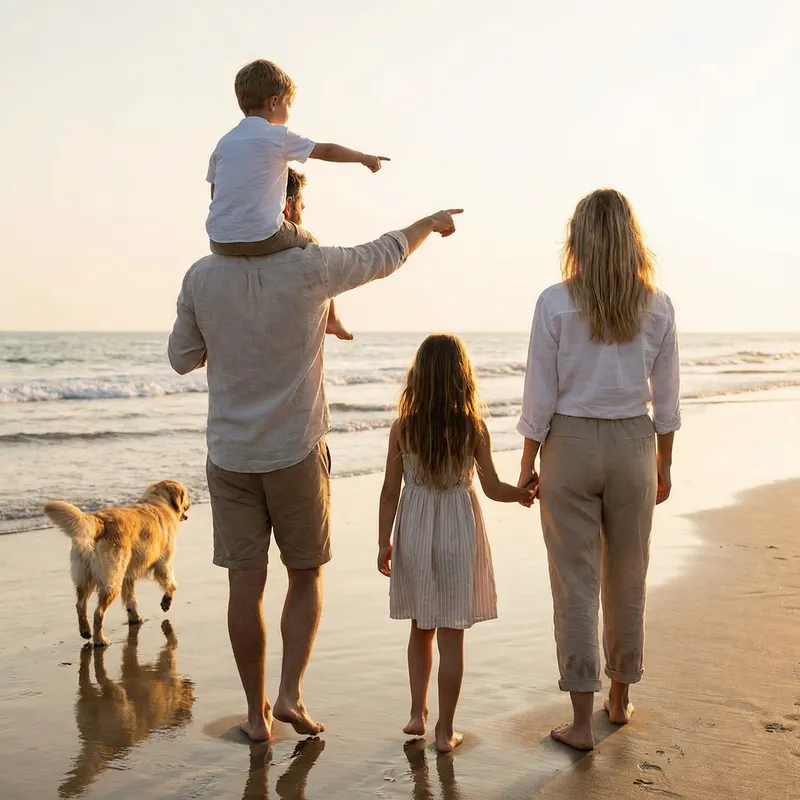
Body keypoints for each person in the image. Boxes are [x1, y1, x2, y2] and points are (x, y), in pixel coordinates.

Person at [168, 188, 463, 743]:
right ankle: (289, 695)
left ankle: (256, 718)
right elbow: (387, 252)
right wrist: (429, 221)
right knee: (304, 574)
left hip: (230, 455)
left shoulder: (201, 277)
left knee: (244, 585)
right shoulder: (312, 268)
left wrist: (233, 336)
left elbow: (182, 359)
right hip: (296, 451)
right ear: (289, 209)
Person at [516, 188, 681, 751]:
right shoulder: (657, 305)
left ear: (578, 239)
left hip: (569, 443)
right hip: (635, 444)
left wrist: (525, 463)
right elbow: (668, 400)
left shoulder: (554, 302)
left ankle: (582, 724)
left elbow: (538, 395)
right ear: (631, 240)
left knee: (576, 583)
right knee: (627, 576)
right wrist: (664, 466)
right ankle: (618, 698)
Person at [378, 334, 536, 753]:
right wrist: (521, 494)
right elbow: (492, 487)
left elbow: (390, 491)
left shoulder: (403, 428)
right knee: (452, 637)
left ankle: (417, 711)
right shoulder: (472, 428)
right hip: (458, 533)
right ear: (462, 378)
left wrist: (383, 542)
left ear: (419, 377)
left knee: (420, 627)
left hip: (413, 531)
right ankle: (445, 731)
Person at [206, 59, 389, 340]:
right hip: (263, 237)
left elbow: (215, 193)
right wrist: (364, 158)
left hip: (219, 242)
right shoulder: (277, 136)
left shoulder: (224, 142)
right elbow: (326, 150)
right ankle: (332, 319)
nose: (289, 111)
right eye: (289, 105)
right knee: (311, 243)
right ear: (274, 102)